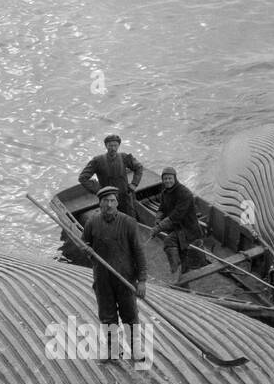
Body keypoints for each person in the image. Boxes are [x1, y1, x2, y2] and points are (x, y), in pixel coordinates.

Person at [83, 186, 147, 360]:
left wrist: (141, 280)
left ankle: (135, 350)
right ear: (100, 203)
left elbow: (139, 252)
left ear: (117, 202)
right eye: (106, 201)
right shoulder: (91, 223)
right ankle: (113, 350)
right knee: (107, 316)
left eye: (112, 201)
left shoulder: (128, 223)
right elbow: (85, 245)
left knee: (130, 315)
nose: (109, 205)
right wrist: (87, 250)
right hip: (103, 279)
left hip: (125, 279)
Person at [151, 166, 203, 282]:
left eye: (170, 178)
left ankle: (176, 271)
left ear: (175, 178)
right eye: (165, 179)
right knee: (181, 253)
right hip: (176, 229)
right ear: (162, 180)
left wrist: (158, 228)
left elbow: (176, 216)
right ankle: (183, 276)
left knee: (169, 242)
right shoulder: (165, 193)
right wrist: (157, 220)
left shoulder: (185, 193)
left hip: (188, 229)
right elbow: (161, 209)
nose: (167, 181)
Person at [78, 135, 143, 216]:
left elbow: (139, 167)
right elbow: (83, 178)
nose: (113, 148)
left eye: (115, 145)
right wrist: (98, 190)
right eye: (110, 146)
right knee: (109, 219)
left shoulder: (124, 157)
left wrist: (134, 183)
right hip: (107, 199)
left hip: (125, 196)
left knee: (130, 218)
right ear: (106, 146)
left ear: (119, 146)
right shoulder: (97, 160)